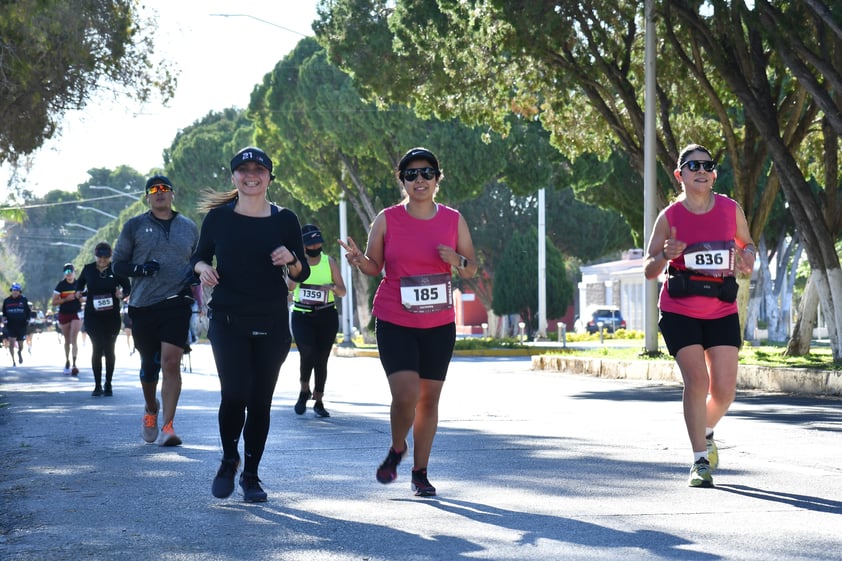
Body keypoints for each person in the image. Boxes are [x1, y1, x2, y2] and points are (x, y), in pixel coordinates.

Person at [338, 147, 477, 497]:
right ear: (402, 180)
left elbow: (472, 267)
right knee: (405, 395)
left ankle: (420, 472)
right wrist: (359, 260)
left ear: (437, 178)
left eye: (427, 173)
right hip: (394, 318)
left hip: (439, 323)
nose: (420, 180)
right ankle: (398, 446)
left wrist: (457, 259)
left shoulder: (453, 219)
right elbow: (375, 265)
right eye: (411, 174)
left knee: (428, 400)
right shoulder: (387, 218)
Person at [193, 146, 309, 503]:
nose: (251, 175)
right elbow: (196, 259)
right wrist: (203, 270)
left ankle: (252, 475)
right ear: (234, 177)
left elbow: (301, 270)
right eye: (243, 170)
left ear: (269, 177)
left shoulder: (285, 219)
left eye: (259, 169)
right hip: (228, 319)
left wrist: (291, 259)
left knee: (260, 401)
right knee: (235, 393)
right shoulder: (218, 219)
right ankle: (229, 458)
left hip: (272, 320)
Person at [643, 143, 755, 488]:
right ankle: (699, 462)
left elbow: (747, 244)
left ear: (714, 173)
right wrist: (664, 254)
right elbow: (649, 269)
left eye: (708, 165)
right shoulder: (670, 217)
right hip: (680, 309)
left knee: (724, 391)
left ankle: (705, 432)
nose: (702, 170)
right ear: (680, 175)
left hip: (721, 306)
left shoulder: (730, 209)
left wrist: (747, 257)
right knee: (697, 381)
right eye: (693, 166)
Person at [113, 174, 199, 447]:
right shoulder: (134, 226)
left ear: (173, 194)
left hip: (176, 303)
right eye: (154, 189)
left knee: (171, 362)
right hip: (143, 305)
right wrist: (140, 269)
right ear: (147, 197)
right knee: (149, 367)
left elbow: (199, 260)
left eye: (165, 188)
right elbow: (118, 265)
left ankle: (168, 426)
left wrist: (196, 274)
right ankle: (151, 408)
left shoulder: (188, 226)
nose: (160, 192)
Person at [289, 224, 347, 418]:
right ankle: (303, 389)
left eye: (318, 243)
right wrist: (297, 271)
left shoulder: (328, 261)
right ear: (304, 246)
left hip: (326, 315)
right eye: (311, 245)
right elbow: (289, 288)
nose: (316, 247)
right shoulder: (296, 262)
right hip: (301, 315)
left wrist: (330, 287)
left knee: (322, 358)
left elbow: (343, 291)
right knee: (307, 353)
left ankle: (319, 400)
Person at [75, 242, 132, 397]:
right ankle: (97, 384)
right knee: (97, 346)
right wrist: (78, 292)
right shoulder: (88, 269)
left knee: (109, 348)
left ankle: (108, 383)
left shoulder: (116, 269)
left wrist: (122, 294)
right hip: (93, 316)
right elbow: (79, 284)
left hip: (111, 316)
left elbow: (127, 287)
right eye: (100, 257)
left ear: (110, 256)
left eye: (106, 257)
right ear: (95, 255)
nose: (102, 260)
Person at [51, 263, 82, 376]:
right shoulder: (61, 285)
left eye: (71, 272)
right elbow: (54, 302)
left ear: (75, 272)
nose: (69, 275)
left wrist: (80, 298)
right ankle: (67, 361)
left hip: (76, 313)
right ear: (64, 274)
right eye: (66, 273)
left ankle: (74, 363)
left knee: (74, 338)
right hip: (64, 314)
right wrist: (65, 299)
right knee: (67, 340)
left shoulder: (79, 284)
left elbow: (85, 298)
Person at [2, 283, 31, 366]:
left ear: (20, 292)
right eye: (14, 290)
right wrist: (4, 319)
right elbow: (4, 313)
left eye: (17, 291)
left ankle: (19, 352)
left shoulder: (24, 300)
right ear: (11, 291)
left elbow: (28, 311)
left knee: (21, 345)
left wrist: (28, 319)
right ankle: (13, 360)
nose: (15, 292)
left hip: (22, 325)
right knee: (11, 344)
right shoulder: (6, 301)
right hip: (11, 325)